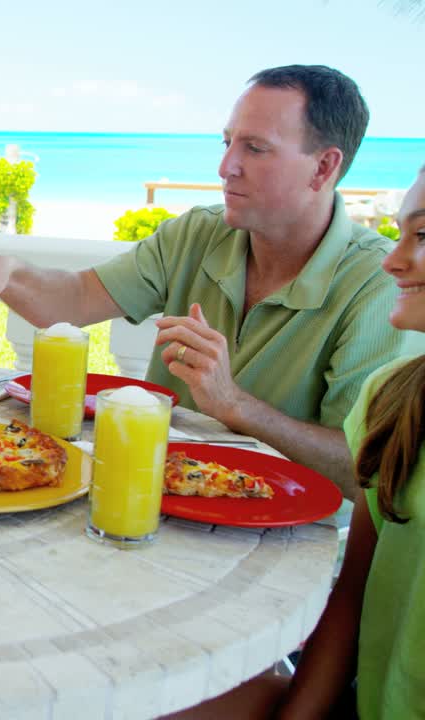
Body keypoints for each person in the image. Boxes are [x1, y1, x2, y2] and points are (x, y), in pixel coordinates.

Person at [0, 65, 424, 497]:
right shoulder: (198, 233)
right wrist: (8, 273)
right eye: (227, 144)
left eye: (256, 149)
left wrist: (236, 406)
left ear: (323, 167)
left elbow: (365, 468)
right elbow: (77, 299)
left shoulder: (379, 282)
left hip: (279, 539)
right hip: (146, 498)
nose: (226, 167)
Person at [168, 166, 425, 720]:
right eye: (402, 233)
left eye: (422, 237)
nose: (392, 259)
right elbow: (351, 599)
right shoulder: (397, 398)